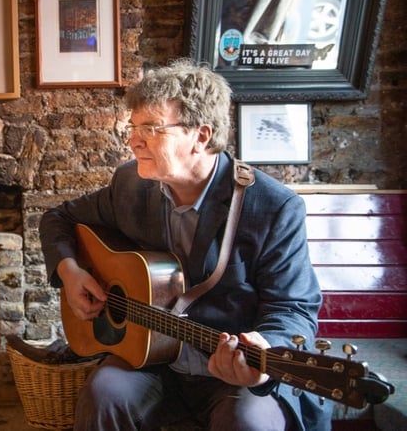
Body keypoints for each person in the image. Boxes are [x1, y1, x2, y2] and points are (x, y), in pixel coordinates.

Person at [39, 59, 331, 431]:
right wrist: (71, 271)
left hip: (233, 376)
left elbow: (293, 308)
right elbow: (58, 219)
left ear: (202, 135)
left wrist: (264, 352)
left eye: (151, 128)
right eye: (134, 126)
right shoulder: (131, 184)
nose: (133, 139)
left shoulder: (273, 207)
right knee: (103, 393)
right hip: (153, 359)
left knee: (249, 422)